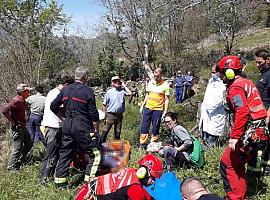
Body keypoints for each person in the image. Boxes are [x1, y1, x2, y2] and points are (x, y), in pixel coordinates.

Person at [216, 55, 269, 199]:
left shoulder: (235, 87)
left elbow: (242, 111)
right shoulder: (247, 83)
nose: (220, 77)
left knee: (227, 164)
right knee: (237, 164)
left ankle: (234, 197)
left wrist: (234, 137)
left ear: (229, 72)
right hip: (260, 133)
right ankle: (240, 195)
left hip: (251, 134)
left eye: (221, 72)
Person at [51, 66, 101, 187]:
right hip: (83, 126)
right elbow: (93, 114)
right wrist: (96, 130)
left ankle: (59, 183)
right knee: (95, 154)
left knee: (65, 153)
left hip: (67, 126)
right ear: (86, 77)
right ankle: (89, 183)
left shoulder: (65, 89)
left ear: (75, 76)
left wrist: (63, 118)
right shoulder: (88, 91)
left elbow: (53, 106)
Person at [75, 154, 163, 200]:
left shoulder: (132, 174)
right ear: (143, 172)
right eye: (152, 177)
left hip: (86, 193)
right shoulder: (134, 186)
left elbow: (145, 195)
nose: (153, 182)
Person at [39, 76, 74, 184]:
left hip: (57, 127)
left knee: (55, 153)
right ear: (66, 85)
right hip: (52, 127)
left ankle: (48, 175)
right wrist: (64, 117)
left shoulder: (55, 92)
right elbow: (58, 108)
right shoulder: (55, 93)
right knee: (51, 154)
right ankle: (43, 179)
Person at [1, 84, 33, 170]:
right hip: (17, 128)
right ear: (23, 92)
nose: (29, 93)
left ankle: (19, 160)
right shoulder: (16, 101)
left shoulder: (22, 100)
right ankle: (11, 167)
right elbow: (4, 110)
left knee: (29, 144)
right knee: (17, 148)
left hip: (22, 126)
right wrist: (12, 121)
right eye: (27, 91)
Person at [139, 68, 170, 146]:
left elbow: (166, 99)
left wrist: (165, 111)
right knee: (144, 126)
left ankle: (153, 145)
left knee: (155, 127)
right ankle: (143, 144)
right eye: (155, 76)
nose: (155, 78)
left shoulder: (165, 85)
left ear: (161, 76)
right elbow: (147, 95)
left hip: (158, 110)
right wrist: (142, 106)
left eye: (157, 76)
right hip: (148, 108)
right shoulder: (150, 82)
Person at [199, 65, 227, 148]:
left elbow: (219, 99)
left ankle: (211, 156)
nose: (212, 74)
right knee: (204, 138)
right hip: (206, 115)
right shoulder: (211, 82)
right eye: (211, 72)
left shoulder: (222, 84)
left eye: (214, 72)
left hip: (215, 114)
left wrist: (209, 107)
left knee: (211, 139)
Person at [101, 76, 132, 143]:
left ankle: (116, 147)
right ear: (112, 83)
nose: (117, 82)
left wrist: (124, 85)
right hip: (110, 114)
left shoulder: (122, 91)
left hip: (119, 115)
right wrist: (104, 115)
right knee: (105, 131)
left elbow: (130, 93)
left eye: (118, 81)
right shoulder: (109, 92)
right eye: (115, 81)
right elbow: (104, 104)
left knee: (117, 132)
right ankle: (100, 145)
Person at [254, 49, 270, 175]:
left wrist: (268, 115)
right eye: (256, 62)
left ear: (268, 60)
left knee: (264, 143)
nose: (257, 65)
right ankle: (259, 170)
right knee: (260, 143)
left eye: (260, 62)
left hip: (266, 114)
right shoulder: (262, 74)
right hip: (259, 114)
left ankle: (265, 169)